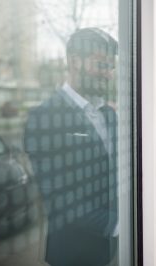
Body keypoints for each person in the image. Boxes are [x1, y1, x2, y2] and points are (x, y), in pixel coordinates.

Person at [24, 28, 118, 266]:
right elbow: (60, 198)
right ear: (75, 61)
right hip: (73, 253)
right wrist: (122, 224)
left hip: (112, 250)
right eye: (102, 65)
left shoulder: (109, 114)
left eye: (110, 66)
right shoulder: (44, 117)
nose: (108, 74)